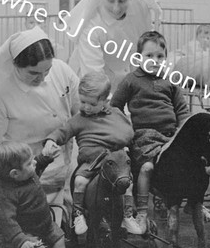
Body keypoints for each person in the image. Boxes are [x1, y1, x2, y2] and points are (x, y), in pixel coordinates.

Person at [0, 27, 80, 245]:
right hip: (23, 172)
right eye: (33, 73)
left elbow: (78, 114)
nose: (41, 78)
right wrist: (19, 170)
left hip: (66, 160)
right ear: (15, 64)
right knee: (15, 232)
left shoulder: (62, 71)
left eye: (47, 70)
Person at [111, 30, 194, 231]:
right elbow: (115, 106)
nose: (155, 61)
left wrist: (184, 131)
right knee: (147, 168)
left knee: (189, 161)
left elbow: (182, 109)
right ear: (138, 57)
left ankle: (193, 201)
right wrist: (125, 127)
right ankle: (141, 212)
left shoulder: (170, 80)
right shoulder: (131, 80)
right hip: (144, 136)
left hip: (169, 135)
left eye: (160, 56)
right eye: (149, 56)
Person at [44, 71, 143, 236]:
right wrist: (51, 140)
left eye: (91, 104)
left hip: (115, 163)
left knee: (128, 184)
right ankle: (78, 213)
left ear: (105, 101)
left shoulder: (116, 115)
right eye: (82, 102)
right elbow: (63, 130)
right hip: (91, 163)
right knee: (80, 181)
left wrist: (116, 143)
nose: (86, 107)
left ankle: (127, 215)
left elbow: (128, 132)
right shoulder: (79, 119)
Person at [66, 0, 161, 92]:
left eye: (122, 1)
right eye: (110, 1)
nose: (116, 8)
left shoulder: (139, 11)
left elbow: (145, 49)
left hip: (123, 75)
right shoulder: (92, 27)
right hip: (91, 82)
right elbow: (94, 76)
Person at [0, 141, 68, 248]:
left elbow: (38, 164)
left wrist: (46, 157)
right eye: (30, 163)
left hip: (44, 225)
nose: (34, 163)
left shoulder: (26, 175)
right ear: (15, 174)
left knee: (59, 238)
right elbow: (8, 223)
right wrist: (21, 240)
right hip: (21, 232)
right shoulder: (1, 194)